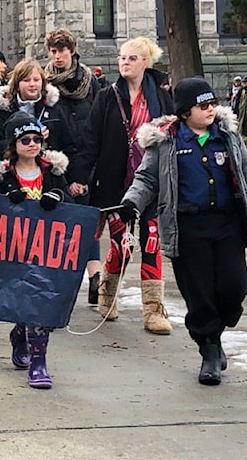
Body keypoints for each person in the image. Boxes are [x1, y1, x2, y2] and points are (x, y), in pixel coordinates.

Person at [119, 77, 247, 385]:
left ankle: (221, 321)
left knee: (234, 285)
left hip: (227, 224)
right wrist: (131, 203)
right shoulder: (167, 141)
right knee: (199, 294)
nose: (211, 110)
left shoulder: (228, 137)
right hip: (188, 227)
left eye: (213, 104)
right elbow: (146, 180)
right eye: (203, 106)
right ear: (185, 111)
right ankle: (210, 350)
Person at [69, 36, 174, 334]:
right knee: (121, 244)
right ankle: (107, 294)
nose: (124, 63)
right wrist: (79, 176)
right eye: (122, 58)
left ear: (145, 62)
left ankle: (153, 310)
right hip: (116, 182)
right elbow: (92, 139)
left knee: (151, 242)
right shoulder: (107, 96)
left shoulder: (162, 97)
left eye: (131, 58)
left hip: (153, 182)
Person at [0, 111, 70, 388]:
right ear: (13, 145)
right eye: (25, 140)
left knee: (41, 304)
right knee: (23, 303)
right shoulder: (1, 176)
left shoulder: (52, 171)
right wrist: (8, 200)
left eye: (36, 139)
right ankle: (20, 333)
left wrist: (57, 196)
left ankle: (39, 363)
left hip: (46, 249)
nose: (32, 144)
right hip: (14, 250)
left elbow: (67, 201)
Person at [43, 28, 102, 304]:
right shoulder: (43, 83)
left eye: (62, 51)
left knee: (86, 220)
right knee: (58, 224)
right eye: (53, 51)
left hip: (85, 159)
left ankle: (94, 276)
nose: (57, 57)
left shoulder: (90, 82)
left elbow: (98, 124)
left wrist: (83, 173)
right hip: (52, 162)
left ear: (72, 51)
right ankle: (60, 282)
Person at [0, 59, 74, 176]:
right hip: (14, 174)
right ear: (17, 85)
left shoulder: (54, 108)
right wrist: (21, 140)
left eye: (36, 80)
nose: (32, 84)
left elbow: (69, 144)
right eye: (26, 80)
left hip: (49, 172)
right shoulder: (3, 110)